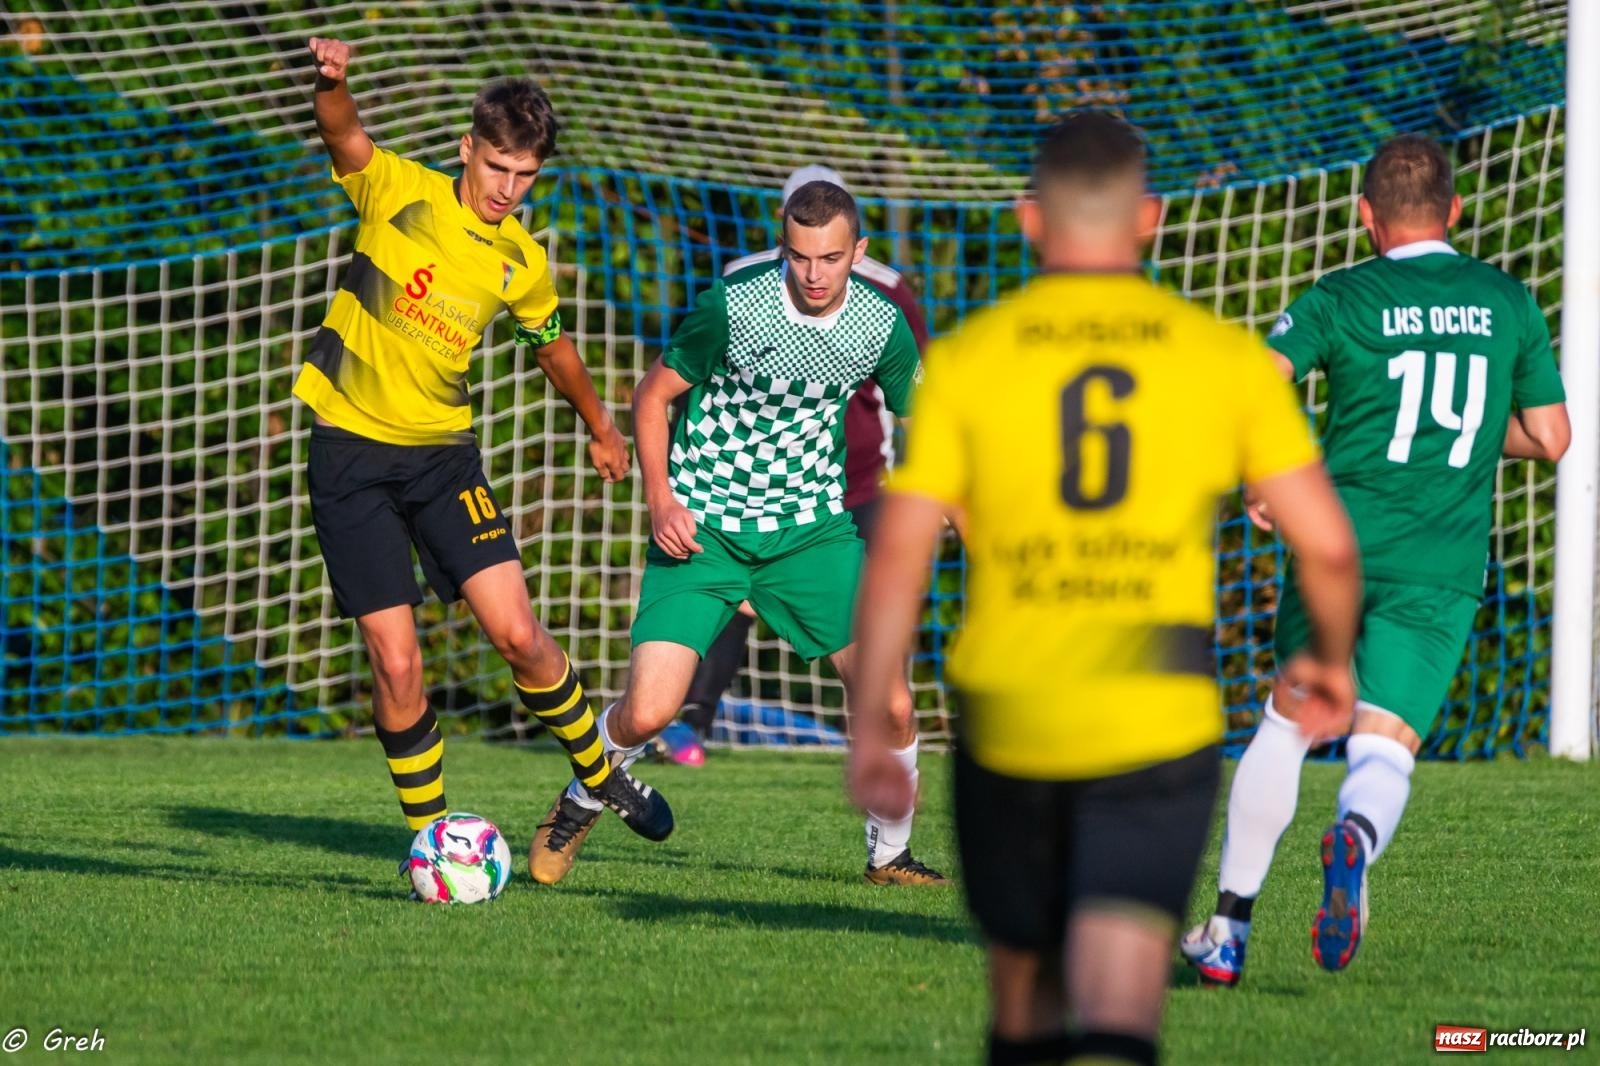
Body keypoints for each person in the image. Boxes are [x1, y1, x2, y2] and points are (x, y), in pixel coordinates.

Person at [847, 111, 1363, 1066]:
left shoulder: (968, 360)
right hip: (1157, 717)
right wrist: (1327, 662)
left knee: (1028, 998)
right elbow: (1329, 549)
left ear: (1031, 222)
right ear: (1150, 218)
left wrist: (873, 727)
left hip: (1013, 714)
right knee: (1124, 1003)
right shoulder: (1220, 358)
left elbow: (898, 555)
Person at [1180, 133, 1570, 983]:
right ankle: (1353, 838)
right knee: (1384, 745)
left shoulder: (1340, 296)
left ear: (1365, 216)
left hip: (1336, 550)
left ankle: (1228, 931)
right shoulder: (1506, 302)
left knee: (1286, 725)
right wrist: (1455, 446)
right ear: (1456, 211)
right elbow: (1550, 436)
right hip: (1440, 566)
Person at [292, 37, 673, 878]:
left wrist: (601, 425)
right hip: (350, 453)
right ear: (468, 148)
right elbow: (343, 134)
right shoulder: (399, 192)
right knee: (396, 662)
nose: (508, 189)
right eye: (498, 166)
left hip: (443, 460)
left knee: (518, 635)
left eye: (526, 175)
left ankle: (597, 769)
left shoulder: (522, 260)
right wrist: (333, 83)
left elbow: (552, 346)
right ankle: (432, 844)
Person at [529, 179, 948, 887]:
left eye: (832, 258)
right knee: (648, 711)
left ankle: (889, 858)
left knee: (894, 701)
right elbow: (654, 395)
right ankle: (576, 802)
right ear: (782, 244)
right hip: (705, 530)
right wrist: (661, 501)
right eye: (799, 256)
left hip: (811, 535)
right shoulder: (735, 304)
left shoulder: (880, 324)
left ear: (860, 253)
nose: (813, 275)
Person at [661, 165, 931, 761]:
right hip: (746, 493)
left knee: (870, 628)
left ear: (853, 243)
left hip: (859, 485)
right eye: (797, 241)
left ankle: (881, 740)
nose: (814, 266)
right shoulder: (744, 287)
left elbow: (920, 399)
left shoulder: (888, 295)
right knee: (730, 598)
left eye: (830, 251)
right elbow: (682, 381)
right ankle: (691, 725)